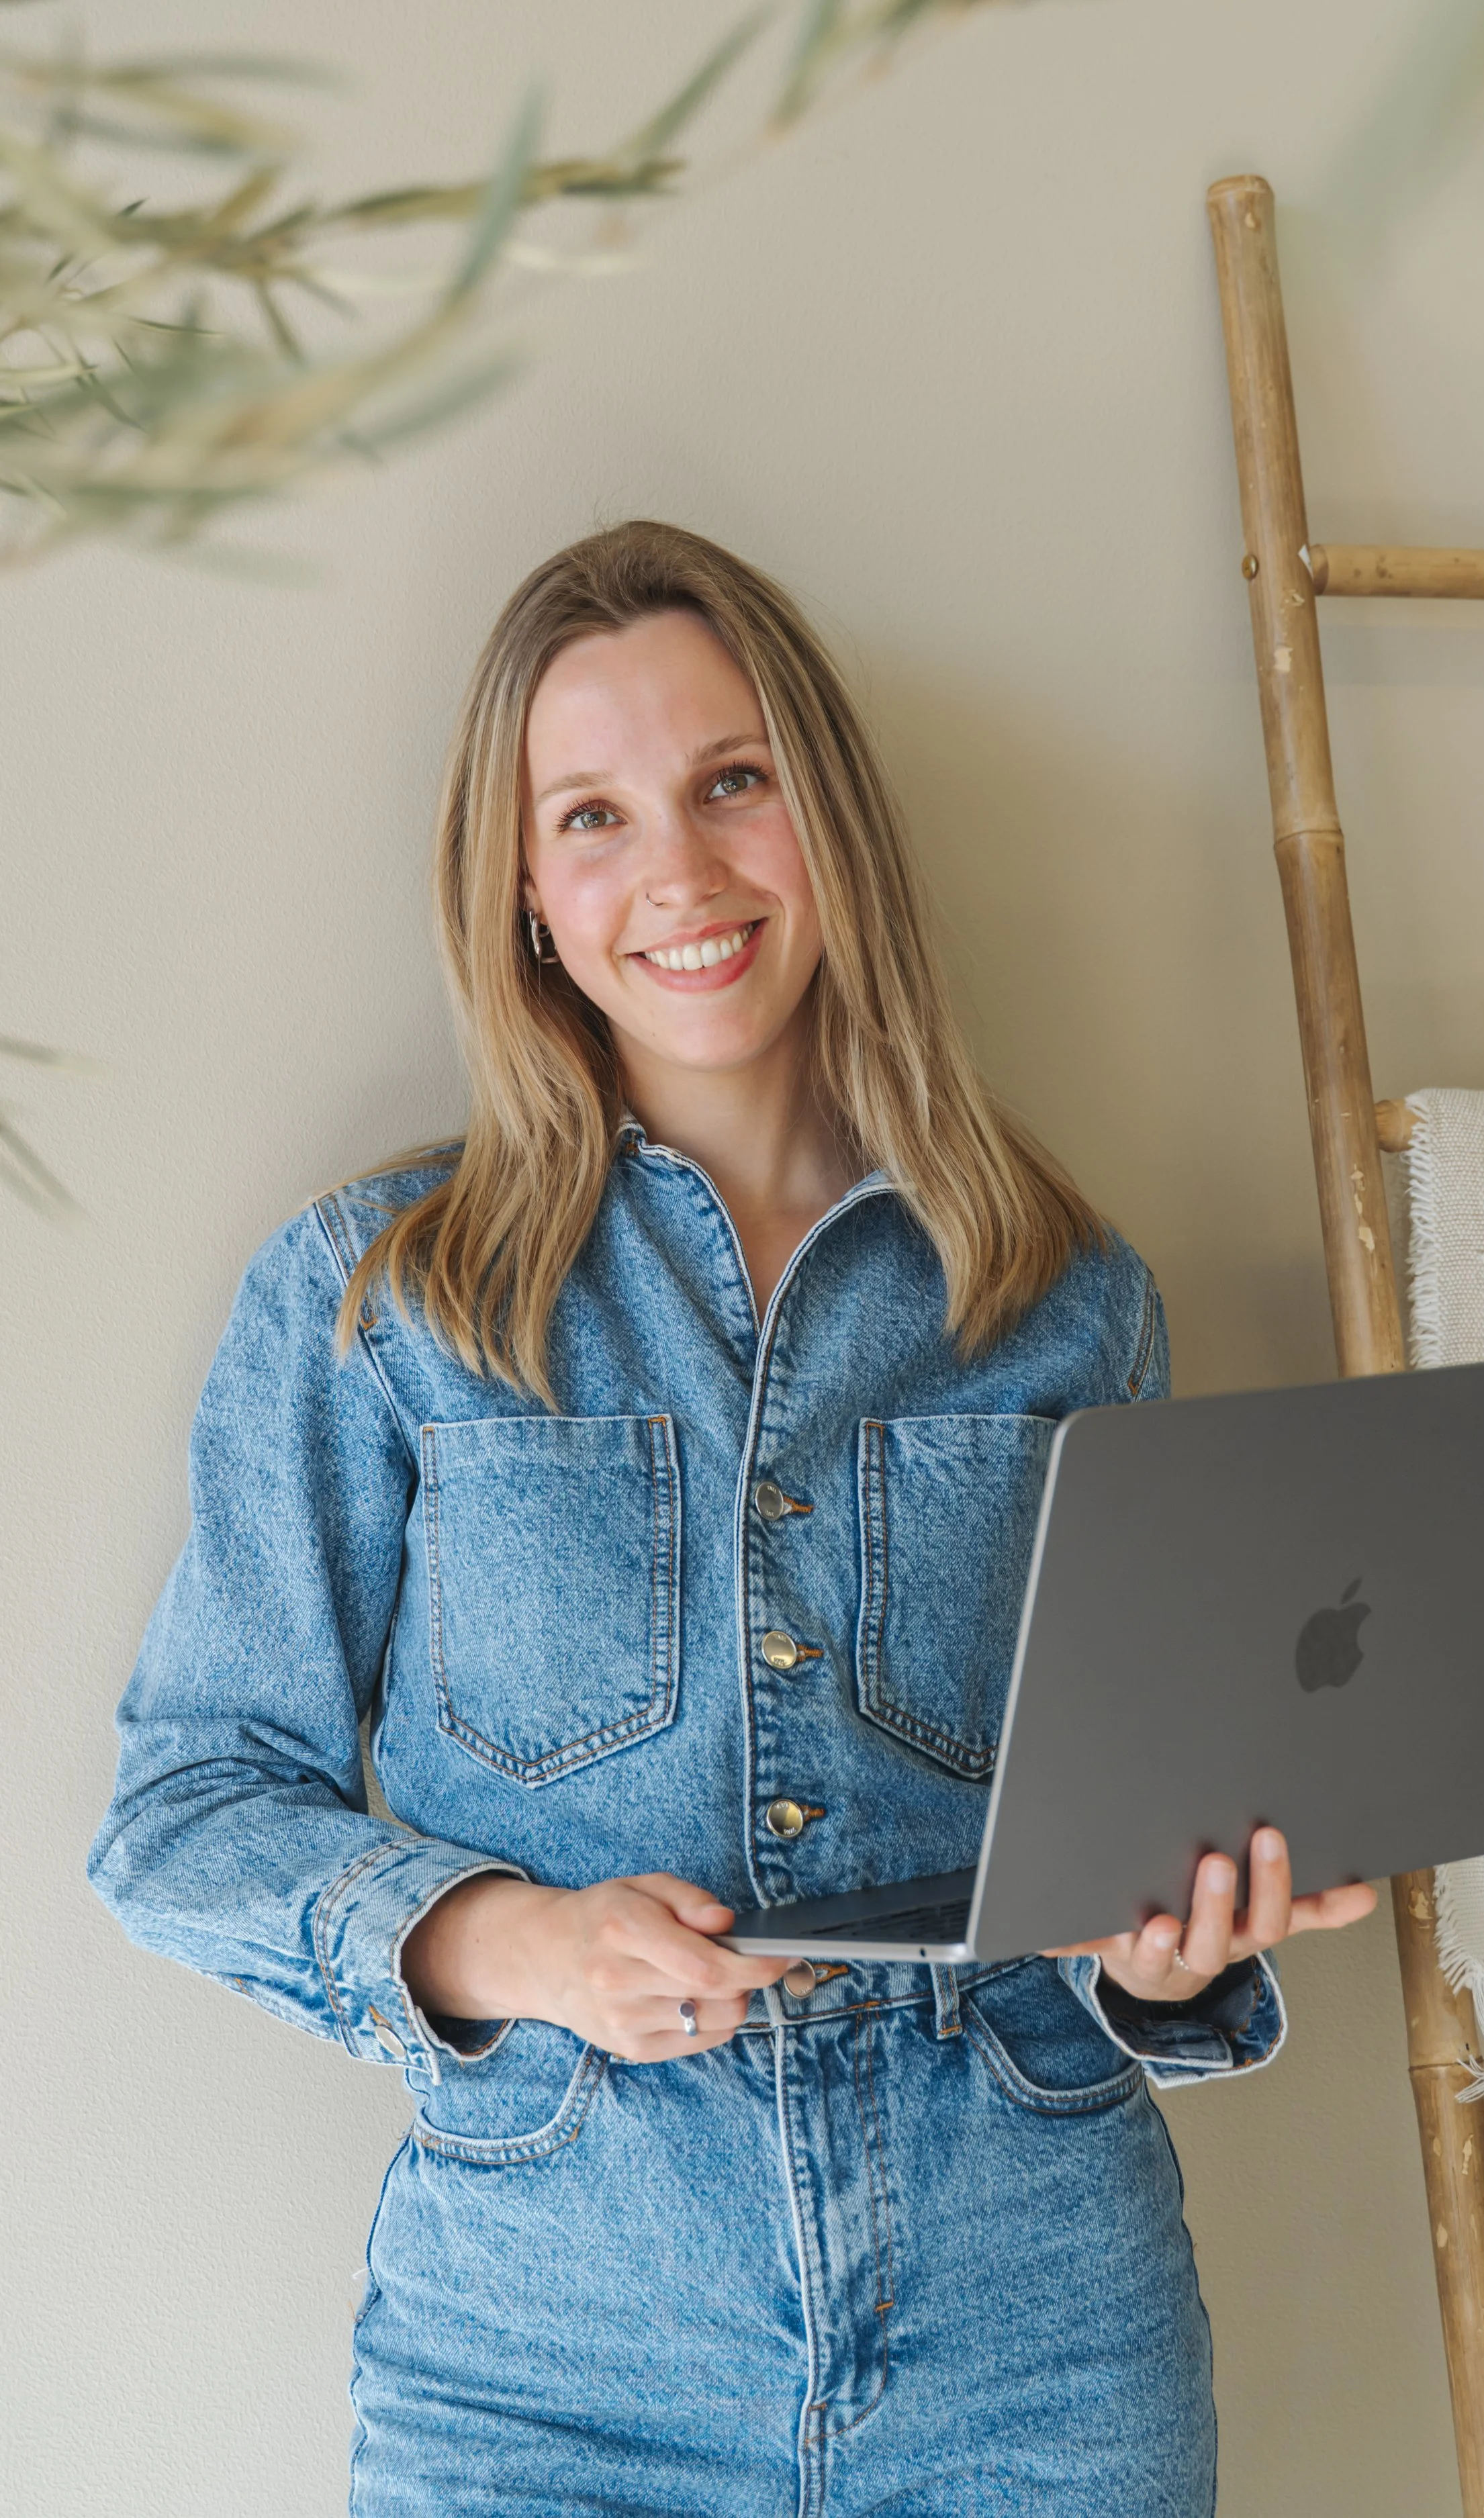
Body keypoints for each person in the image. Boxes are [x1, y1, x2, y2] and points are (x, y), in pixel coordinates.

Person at [89, 521, 1375, 2517]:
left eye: (729, 782)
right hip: (548, 2356)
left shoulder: (1065, 1299)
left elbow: (1117, 1843)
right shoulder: (378, 1300)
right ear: (520, 892)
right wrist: (513, 1937)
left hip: (1033, 2328)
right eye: (590, 815)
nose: (676, 873)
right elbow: (183, 1807)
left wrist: (1171, 1950)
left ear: (825, 822)